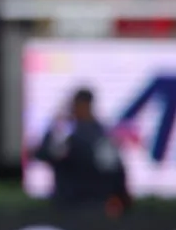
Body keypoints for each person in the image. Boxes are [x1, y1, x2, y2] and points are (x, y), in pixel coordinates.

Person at [35, 88, 131, 216]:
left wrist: (55, 126)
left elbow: (44, 154)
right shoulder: (103, 136)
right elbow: (117, 173)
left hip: (71, 206)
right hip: (97, 207)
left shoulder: (70, 136)